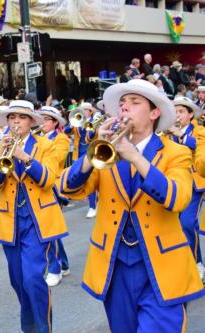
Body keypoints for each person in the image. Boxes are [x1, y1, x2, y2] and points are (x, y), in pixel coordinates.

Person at [60, 80, 204, 332]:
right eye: (122, 103)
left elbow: (178, 198)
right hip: (115, 266)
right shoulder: (105, 151)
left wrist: (135, 157)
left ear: (154, 112)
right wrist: (91, 154)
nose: (125, 107)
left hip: (162, 267)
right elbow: (67, 189)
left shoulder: (176, 153)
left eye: (135, 102)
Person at [0, 100, 68, 333]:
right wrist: (4, 156)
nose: (16, 122)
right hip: (10, 221)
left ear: (31, 121)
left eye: (21, 118)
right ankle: (30, 328)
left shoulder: (45, 145)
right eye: (12, 118)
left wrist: (25, 157)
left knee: (33, 278)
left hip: (38, 219)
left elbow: (48, 179)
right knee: (19, 282)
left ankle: (43, 329)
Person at [166, 96, 205, 279]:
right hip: (173, 183)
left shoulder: (200, 132)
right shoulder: (166, 132)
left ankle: (197, 263)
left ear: (190, 115)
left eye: (181, 111)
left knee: (187, 223)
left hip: (194, 183)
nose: (177, 115)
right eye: (174, 111)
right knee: (175, 227)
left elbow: (199, 148)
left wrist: (181, 135)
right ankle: (181, 263)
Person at [37, 106, 71, 287]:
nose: (41, 123)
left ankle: (55, 268)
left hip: (53, 187)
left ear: (55, 122)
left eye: (46, 119)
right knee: (50, 228)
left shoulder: (61, 139)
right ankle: (63, 263)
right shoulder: (37, 139)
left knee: (49, 228)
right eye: (40, 118)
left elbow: (56, 158)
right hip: (37, 187)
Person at [64, 102, 98, 218]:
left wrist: (91, 126)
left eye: (84, 109)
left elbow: (90, 137)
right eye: (81, 109)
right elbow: (66, 131)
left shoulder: (95, 121)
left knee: (90, 180)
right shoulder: (77, 122)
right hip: (78, 155)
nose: (82, 111)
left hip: (92, 153)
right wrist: (72, 122)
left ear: (89, 111)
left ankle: (93, 207)